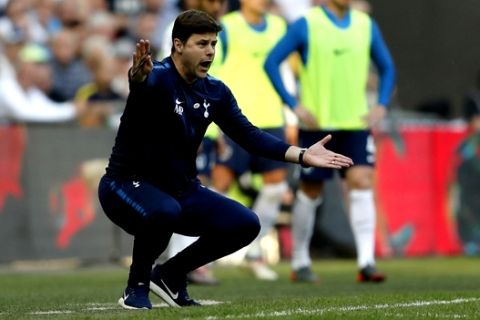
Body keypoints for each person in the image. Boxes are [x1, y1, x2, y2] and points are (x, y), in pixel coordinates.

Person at [97, 9, 353, 310]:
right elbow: (142, 83)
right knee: (163, 211)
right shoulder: (158, 78)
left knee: (244, 223)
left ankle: (170, 274)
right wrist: (136, 78)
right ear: (178, 45)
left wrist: (303, 155)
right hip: (124, 186)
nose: (210, 52)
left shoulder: (215, 92)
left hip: (179, 190)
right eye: (202, 44)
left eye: (213, 44)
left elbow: (250, 136)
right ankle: (136, 287)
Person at [264, 0, 396, 283]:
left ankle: (367, 262)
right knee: (310, 191)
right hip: (317, 127)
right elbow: (271, 61)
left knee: (362, 182)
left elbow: (387, 67)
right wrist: (293, 104)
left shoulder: (365, 24)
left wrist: (382, 103)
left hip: (355, 125)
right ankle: (300, 261)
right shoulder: (307, 23)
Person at [210, 0, 292, 281]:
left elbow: (287, 72)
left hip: (271, 117)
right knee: (218, 185)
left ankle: (255, 252)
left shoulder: (280, 26)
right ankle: (201, 257)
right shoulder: (228, 26)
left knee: (276, 186)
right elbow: (213, 70)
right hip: (235, 118)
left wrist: (290, 115)